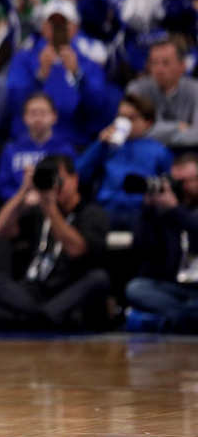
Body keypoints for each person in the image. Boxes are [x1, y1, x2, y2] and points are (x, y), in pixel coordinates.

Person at [0, 155, 111, 330]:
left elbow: (76, 250)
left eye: (59, 179)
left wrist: (51, 208)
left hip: (68, 290)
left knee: (99, 279)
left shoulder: (92, 213)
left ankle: (33, 317)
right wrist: (24, 189)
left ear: (74, 179)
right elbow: (1, 231)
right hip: (33, 290)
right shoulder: (38, 210)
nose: (56, 186)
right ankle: (44, 316)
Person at [6, 0, 111, 147]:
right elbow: (14, 102)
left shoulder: (89, 65)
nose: (57, 28)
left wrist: (78, 75)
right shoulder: (23, 59)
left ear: (75, 27)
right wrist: (40, 75)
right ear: (43, 26)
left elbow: (99, 107)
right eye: (52, 23)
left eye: (63, 24)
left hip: (72, 143)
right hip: (28, 144)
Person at [77, 93, 174, 231]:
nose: (124, 122)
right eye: (121, 117)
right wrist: (99, 145)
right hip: (106, 209)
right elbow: (79, 175)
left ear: (147, 122)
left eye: (131, 118)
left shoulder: (159, 151)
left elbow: (167, 183)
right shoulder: (105, 146)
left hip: (141, 212)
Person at [125, 154, 198, 331]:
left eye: (185, 182)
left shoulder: (174, 210)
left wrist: (174, 209)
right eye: (176, 181)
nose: (180, 187)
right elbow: (141, 248)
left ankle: (171, 319)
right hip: (174, 286)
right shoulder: (164, 210)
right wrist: (148, 211)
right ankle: (182, 318)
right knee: (136, 288)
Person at [0, 94, 74, 203]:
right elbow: (3, 187)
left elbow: (71, 183)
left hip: (55, 204)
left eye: (43, 113)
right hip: (19, 207)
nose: (37, 119)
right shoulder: (12, 149)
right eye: (32, 113)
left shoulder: (65, 149)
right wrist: (23, 198)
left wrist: (46, 198)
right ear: (24, 118)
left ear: (54, 116)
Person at [127, 38, 198, 148]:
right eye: (154, 63)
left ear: (182, 65)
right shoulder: (137, 89)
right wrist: (178, 126)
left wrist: (162, 135)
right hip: (148, 150)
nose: (159, 69)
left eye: (166, 63)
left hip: (187, 152)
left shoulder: (195, 89)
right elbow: (139, 130)